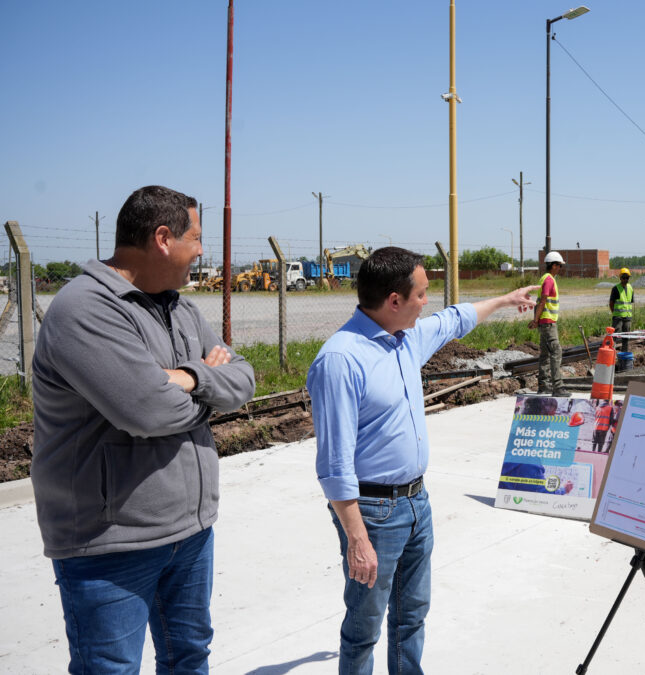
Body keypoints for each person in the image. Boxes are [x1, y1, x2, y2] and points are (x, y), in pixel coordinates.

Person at [30, 185, 256, 673]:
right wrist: (207, 394)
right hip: (112, 542)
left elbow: (243, 379)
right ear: (162, 238)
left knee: (189, 658)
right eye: (196, 238)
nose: (201, 251)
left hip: (190, 531)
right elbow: (149, 411)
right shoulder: (85, 309)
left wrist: (191, 376)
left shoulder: (181, 308)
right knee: (111, 668)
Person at [306, 246, 537, 674]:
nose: (427, 302)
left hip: (416, 504)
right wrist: (357, 539)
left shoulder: (406, 337)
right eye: (422, 293)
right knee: (364, 627)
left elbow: (455, 319)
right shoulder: (341, 360)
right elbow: (334, 466)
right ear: (395, 300)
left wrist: (505, 301)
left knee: (412, 617)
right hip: (373, 513)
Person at [529, 251, 567, 396]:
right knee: (556, 352)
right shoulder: (549, 280)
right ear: (553, 265)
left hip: (544, 322)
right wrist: (535, 320)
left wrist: (536, 321)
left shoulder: (543, 278)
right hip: (548, 323)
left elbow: (539, 302)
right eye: (559, 266)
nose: (560, 269)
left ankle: (543, 386)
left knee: (545, 354)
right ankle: (558, 387)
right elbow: (543, 301)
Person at [609, 267, 634, 352]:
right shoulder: (616, 289)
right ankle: (611, 355)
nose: (625, 279)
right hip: (618, 318)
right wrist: (615, 313)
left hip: (627, 318)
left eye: (627, 277)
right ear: (620, 278)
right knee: (614, 337)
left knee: (626, 338)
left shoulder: (630, 288)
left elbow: (630, 302)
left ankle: (624, 356)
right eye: (624, 277)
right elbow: (611, 303)